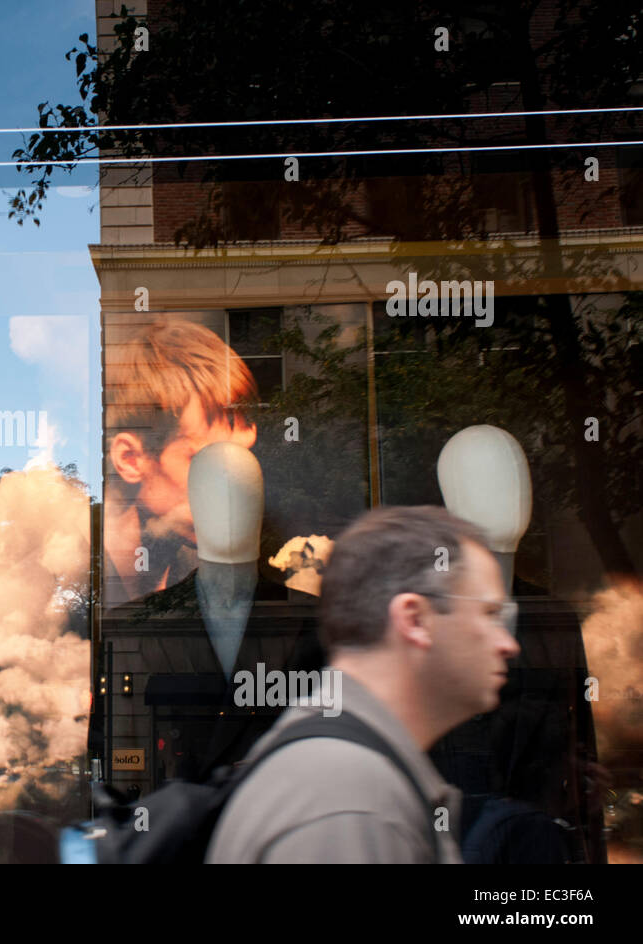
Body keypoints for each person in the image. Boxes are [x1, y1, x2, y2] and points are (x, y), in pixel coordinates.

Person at [207, 506, 520, 863]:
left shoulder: (346, 778)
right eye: (490, 614)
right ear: (415, 619)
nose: (508, 644)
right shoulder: (351, 800)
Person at [103, 317, 257, 605]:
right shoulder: (58, 578)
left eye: (242, 459)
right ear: (131, 459)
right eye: (206, 462)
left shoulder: (199, 573)